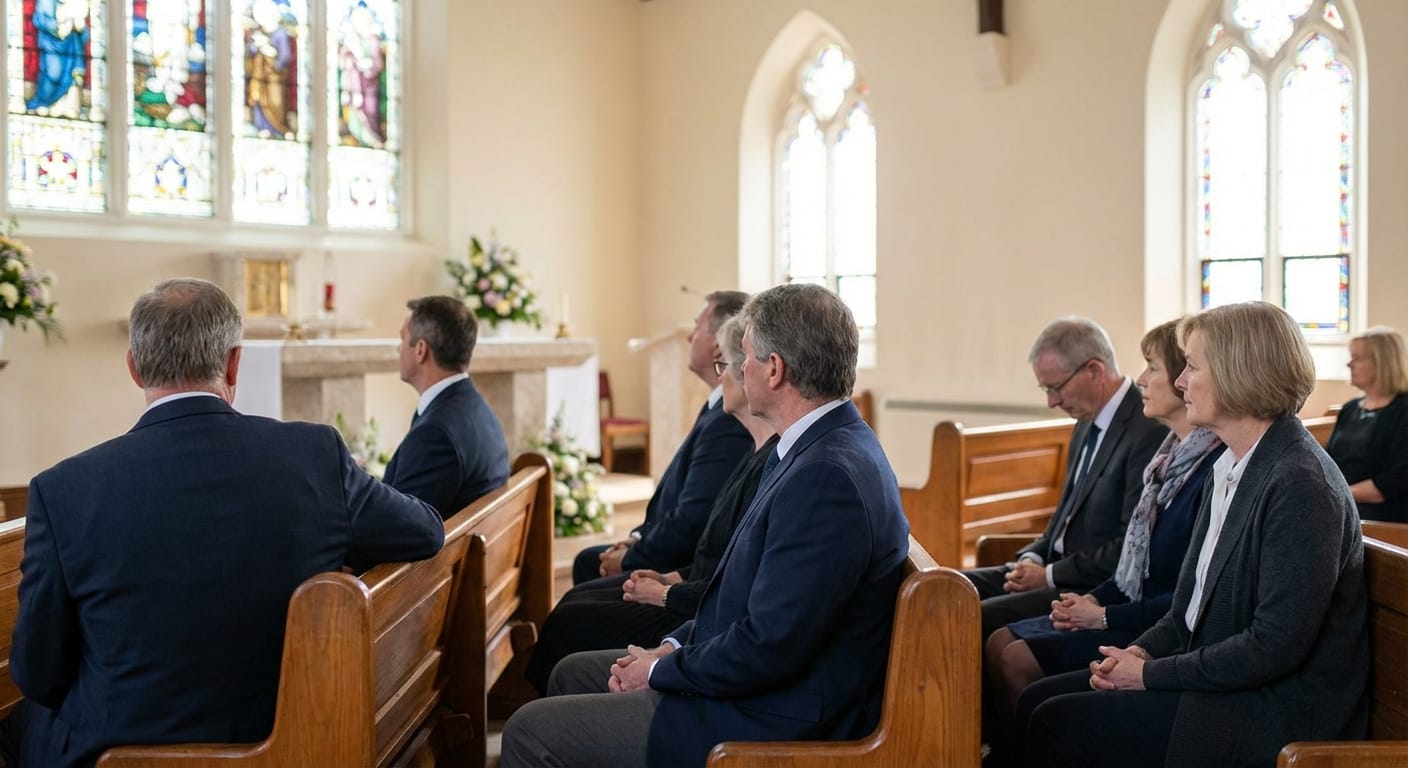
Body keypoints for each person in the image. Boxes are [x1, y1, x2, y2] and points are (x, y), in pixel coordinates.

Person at [2, 278, 445, 768]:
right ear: (235, 361)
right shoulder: (312, 455)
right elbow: (426, 531)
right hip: (288, 737)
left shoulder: (62, 490)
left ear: (133, 367)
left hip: (118, 749)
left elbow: (37, 672)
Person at [499, 283, 909, 768]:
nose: (738, 369)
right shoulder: (816, 447)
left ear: (775, 370)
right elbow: (742, 600)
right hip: (757, 684)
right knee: (572, 673)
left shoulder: (826, 476)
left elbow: (769, 647)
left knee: (529, 731)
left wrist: (663, 669)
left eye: (748, 357)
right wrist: (670, 644)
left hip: (774, 714)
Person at [1020, 301, 1369, 768]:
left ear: (1238, 373)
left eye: (1194, 366)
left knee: (1056, 722)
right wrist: (1139, 651)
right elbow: (1188, 608)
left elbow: (1273, 647)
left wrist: (1148, 674)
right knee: (1035, 701)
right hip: (1221, 679)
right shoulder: (1228, 465)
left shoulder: (1301, 483)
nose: (1181, 380)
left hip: (1274, 707)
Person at [982, 319, 1224, 761]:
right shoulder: (1170, 458)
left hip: (1152, 625)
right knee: (969, 608)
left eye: (1154, 368)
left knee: (1016, 667)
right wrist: (1088, 601)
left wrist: (1103, 615)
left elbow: (1187, 595)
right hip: (1125, 603)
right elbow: (1090, 528)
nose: (1142, 380)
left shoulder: (1205, 465)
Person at [523, 313, 778, 694]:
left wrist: (665, 591)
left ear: (767, 371)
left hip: (702, 617)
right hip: (692, 594)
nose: (723, 373)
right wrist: (670, 576)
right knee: (576, 605)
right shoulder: (756, 450)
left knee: (570, 619)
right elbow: (723, 554)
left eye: (731, 363)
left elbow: (739, 590)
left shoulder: (766, 453)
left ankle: (547, 708)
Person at [964, 317, 1167, 640]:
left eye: (1056, 387)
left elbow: (1129, 546)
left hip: (1088, 585)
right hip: (1051, 568)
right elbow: (1064, 519)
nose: (1052, 401)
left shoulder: (1147, 430)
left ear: (1095, 371)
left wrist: (1046, 575)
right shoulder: (1086, 420)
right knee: (947, 588)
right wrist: (1033, 556)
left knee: (969, 614)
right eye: (1046, 389)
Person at [570, 291, 752, 585]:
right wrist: (636, 539)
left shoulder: (727, 421)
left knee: (581, 585)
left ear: (719, 347)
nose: (690, 338)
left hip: (680, 567)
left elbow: (693, 519)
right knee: (589, 562)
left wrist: (632, 558)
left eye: (697, 328)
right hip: (669, 551)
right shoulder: (716, 409)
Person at [383, 295, 509, 518]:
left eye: (402, 340)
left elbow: (396, 525)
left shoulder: (436, 433)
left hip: (442, 552)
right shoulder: (472, 405)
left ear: (421, 350)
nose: (399, 349)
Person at [1327, 326, 1408, 522]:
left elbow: (1395, 480)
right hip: (1341, 502)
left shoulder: (1403, 409)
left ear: (1383, 363)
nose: (1349, 364)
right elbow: (1328, 463)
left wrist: (1334, 494)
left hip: (1384, 513)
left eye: (1357, 358)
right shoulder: (1350, 409)